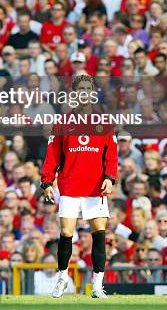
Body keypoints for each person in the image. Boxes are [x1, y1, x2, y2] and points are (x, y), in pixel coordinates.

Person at [41, 75, 118, 298]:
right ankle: (63, 278)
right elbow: (52, 155)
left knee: (99, 234)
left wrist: (110, 178)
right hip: (70, 186)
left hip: (95, 188)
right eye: (80, 89)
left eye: (88, 88)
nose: (84, 92)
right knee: (66, 233)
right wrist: (47, 180)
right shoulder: (63, 123)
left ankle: (97, 286)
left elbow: (111, 156)